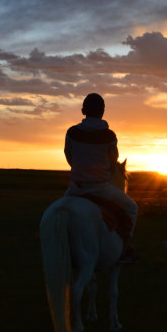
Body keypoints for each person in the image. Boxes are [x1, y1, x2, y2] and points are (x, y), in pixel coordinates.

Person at [64, 93, 139, 264]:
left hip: (75, 188)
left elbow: (69, 157)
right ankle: (124, 249)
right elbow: (113, 162)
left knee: (58, 213)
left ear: (83, 110)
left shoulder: (72, 132)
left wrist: (81, 170)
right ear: (103, 112)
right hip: (100, 188)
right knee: (132, 208)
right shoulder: (109, 136)